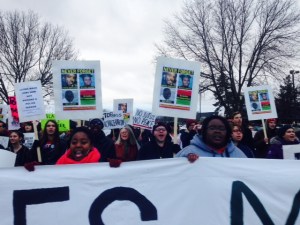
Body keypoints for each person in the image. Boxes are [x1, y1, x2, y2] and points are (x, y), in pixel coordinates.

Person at [176, 115, 246, 161]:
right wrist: (184, 162)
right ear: (204, 131)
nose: (217, 131)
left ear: (227, 132)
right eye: (212, 128)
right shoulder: (188, 153)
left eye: (221, 128)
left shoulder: (239, 155)